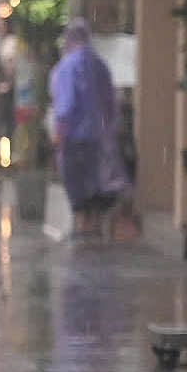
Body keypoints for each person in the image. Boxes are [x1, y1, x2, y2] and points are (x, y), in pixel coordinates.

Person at [50, 18, 123, 238]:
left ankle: (82, 227)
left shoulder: (67, 66)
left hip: (75, 136)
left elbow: (66, 104)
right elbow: (111, 104)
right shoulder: (100, 65)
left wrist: (58, 134)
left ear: (69, 40)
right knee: (96, 181)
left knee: (75, 181)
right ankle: (96, 227)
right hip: (99, 137)